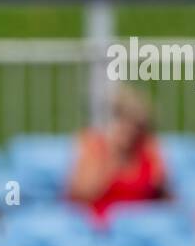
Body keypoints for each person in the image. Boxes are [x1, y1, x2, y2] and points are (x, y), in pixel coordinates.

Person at [66, 88, 168, 221]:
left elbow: (160, 191)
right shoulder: (95, 147)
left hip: (141, 225)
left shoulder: (148, 150)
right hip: (101, 227)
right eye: (125, 124)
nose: (130, 132)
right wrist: (112, 157)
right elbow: (82, 194)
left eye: (137, 126)